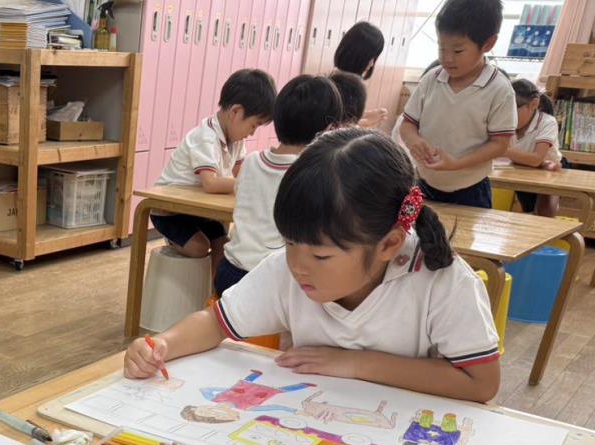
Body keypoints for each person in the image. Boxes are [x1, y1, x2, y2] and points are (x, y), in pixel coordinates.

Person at [124, 128, 501, 404]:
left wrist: (356, 364)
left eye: (321, 256)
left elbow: (481, 383)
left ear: (389, 244)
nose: (298, 266)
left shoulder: (443, 282)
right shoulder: (288, 269)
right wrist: (162, 344)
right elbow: (215, 322)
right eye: (289, 242)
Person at [217, 75, 343, 295]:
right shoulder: (311, 173)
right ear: (327, 130)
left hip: (229, 271)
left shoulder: (252, 161)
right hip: (270, 280)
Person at [152, 68, 276, 275]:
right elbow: (211, 183)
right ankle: (173, 240)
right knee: (199, 247)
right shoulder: (205, 137)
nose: (252, 132)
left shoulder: (236, 140)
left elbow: (240, 174)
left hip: (197, 211)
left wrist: (251, 181)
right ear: (235, 112)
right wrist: (249, 182)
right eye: (253, 125)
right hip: (169, 211)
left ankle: (216, 292)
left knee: (223, 244)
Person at [397, 0, 517, 209]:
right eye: (441, 48)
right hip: (422, 183)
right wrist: (414, 141)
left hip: (470, 190)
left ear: (488, 44)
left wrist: (456, 164)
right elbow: (407, 124)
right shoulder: (431, 79)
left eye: (458, 51)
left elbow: (501, 144)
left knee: (462, 232)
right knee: (416, 230)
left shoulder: (499, 90)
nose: (447, 58)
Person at [503, 78, 562, 217]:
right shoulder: (505, 122)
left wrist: (499, 149)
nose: (508, 115)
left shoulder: (548, 122)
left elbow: (536, 159)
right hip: (520, 168)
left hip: (550, 171)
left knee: (545, 214)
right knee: (528, 211)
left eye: (513, 110)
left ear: (533, 104)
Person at [333, 21, 388, 127]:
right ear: (357, 55)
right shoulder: (343, 87)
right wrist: (365, 123)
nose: (372, 64)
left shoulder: (337, 78)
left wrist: (366, 115)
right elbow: (338, 128)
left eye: (375, 58)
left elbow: (344, 118)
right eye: (370, 57)